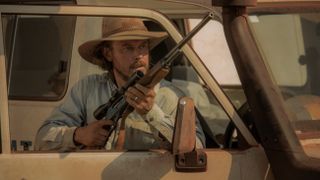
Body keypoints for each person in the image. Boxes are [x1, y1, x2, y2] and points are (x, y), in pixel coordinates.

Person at [35, 17, 205, 151]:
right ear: (108, 54)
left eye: (142, 47)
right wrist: (79, 135)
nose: (138, 56)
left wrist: (152, 113)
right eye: (128, 48)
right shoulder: (87, 88)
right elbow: (42, 138)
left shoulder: (171, 95)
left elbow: (196, 148)